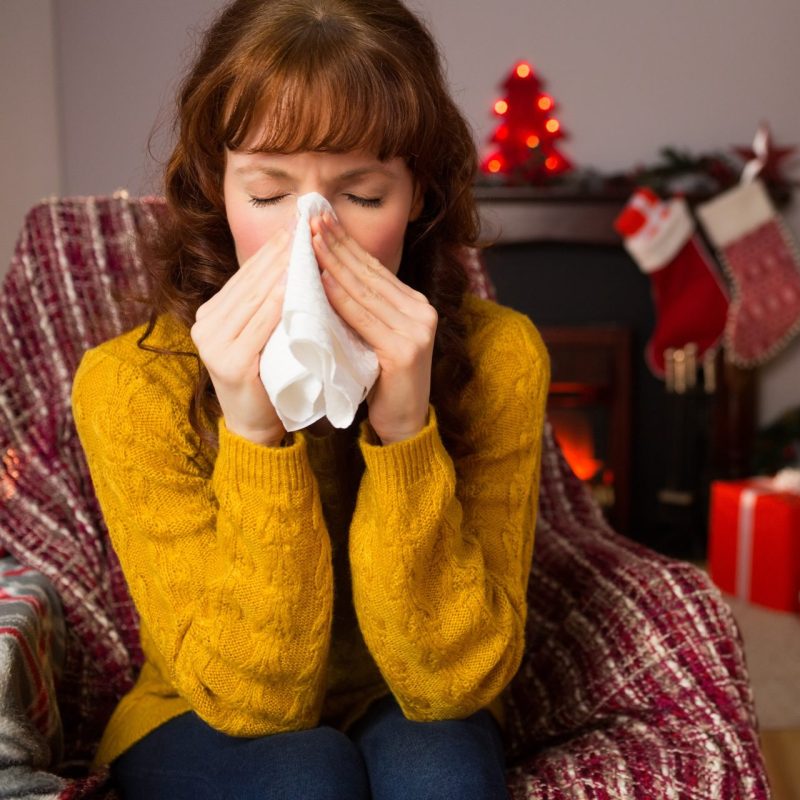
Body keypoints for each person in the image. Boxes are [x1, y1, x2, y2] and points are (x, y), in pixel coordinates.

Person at [68, 1, 550, 797]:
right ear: (214, 192)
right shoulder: (131, 384)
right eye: (267, 194)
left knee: (444, 778)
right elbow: (255, 701)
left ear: (418, 196)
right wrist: (253, 433)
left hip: (409, 695)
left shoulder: (500, 358)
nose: (311, 238)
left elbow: (454, 682)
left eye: (360, 195)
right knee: (305, 777)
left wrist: (404, 430)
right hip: (203, 706)